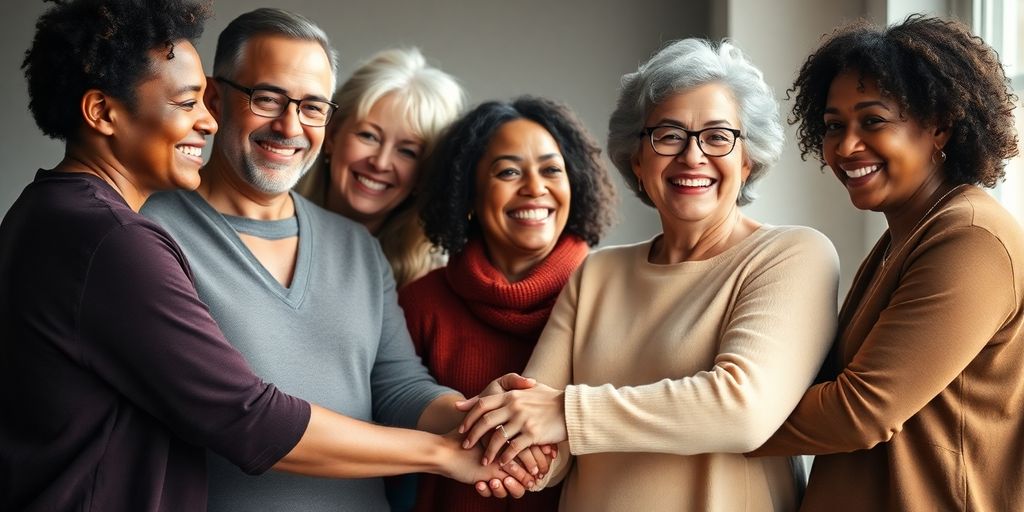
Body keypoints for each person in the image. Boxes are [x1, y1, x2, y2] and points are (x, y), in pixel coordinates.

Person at [0, 1, 527, 511]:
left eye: (313, 106)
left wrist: (479, 417)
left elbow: (397, 387)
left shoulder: (356, 248)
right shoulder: (128, 235)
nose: (291, 126)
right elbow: (245, 415)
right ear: (215, 98)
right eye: (267, 98)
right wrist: (444, 455)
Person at [456, 39, 841, 511]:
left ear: (748, 160)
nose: (692, 156)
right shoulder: (598, 272)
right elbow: (543, 441)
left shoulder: (793, 255)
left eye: (718, 136)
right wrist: (513, 433)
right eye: (668, 134)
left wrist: (563, 412)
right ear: (638, 160)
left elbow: (743, 410)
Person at [745, 15, 1024, 511]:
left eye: (873, 121)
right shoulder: (906, 233)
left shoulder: (971, 237)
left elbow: (860, 411)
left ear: (940, 125)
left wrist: (709, 421)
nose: (846, 147)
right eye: (834, 126)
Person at [402, 96, 617, 511]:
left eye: (552, 170)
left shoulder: (613, 291)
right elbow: (394, 410)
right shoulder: (422, 301)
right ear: (468, 194)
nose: (535, 188)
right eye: (509, 171)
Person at [294, 47, 464, 288]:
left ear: (424, 174)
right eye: (368, 136)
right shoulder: (266, 227)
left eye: (407, 151)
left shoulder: (434, 281)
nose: (381, 163)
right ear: (331, 135)